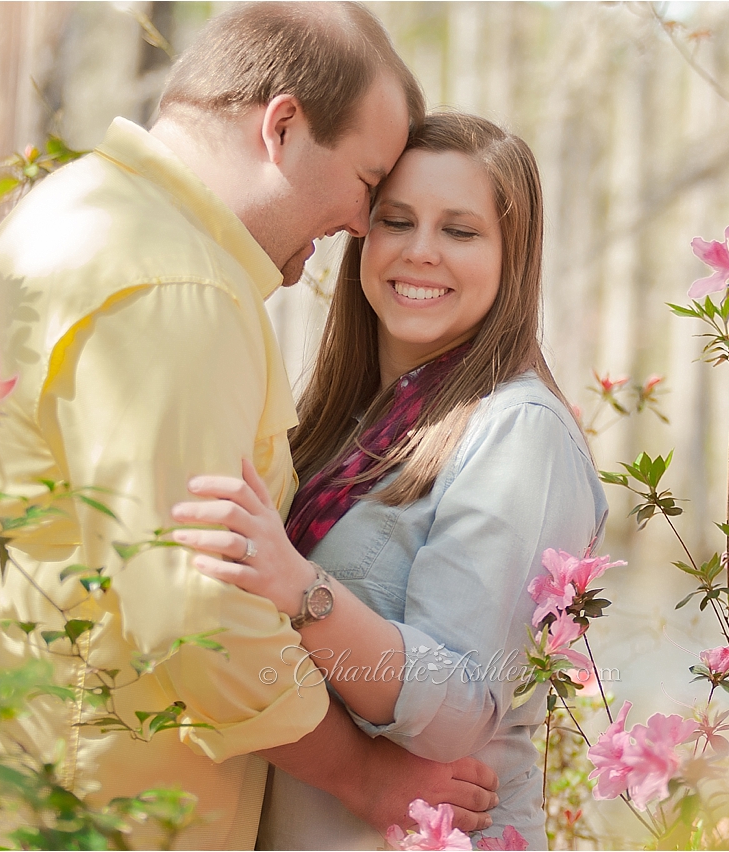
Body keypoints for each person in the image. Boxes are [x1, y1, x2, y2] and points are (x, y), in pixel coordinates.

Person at [0, 4, 499, 848]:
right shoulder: (178, 289)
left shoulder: (78, 209)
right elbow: (191, 613)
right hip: (94, 821)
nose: (361, 224)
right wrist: (365, 775)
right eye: (366, 180)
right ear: (281, 127)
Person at [170, 112, 609, 849]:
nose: (421, 252)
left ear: (514, 257)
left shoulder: (518, 432)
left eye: (461, 231)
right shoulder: (345, 421)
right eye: (396, 220)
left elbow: (462, 707)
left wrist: (300, 590)